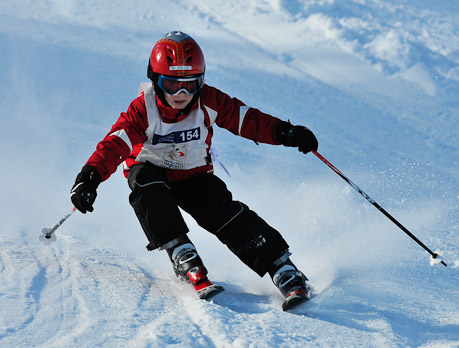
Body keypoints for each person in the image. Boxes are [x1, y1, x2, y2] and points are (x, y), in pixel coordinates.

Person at [70, 31, 318, 305]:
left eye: (191, 84)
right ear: (155, 79)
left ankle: (281, 267)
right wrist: (89, 177)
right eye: (171, 84)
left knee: (225, 213)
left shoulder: (208, 100)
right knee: (146, 186)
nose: (182, 94)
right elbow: (115, 144)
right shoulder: (143, 109)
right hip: (151, 170)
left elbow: (246, 119)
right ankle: (181, 252)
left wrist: (285, 132)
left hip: (193, 176)